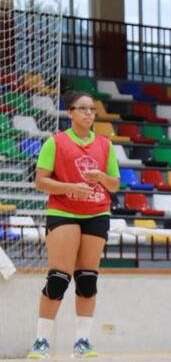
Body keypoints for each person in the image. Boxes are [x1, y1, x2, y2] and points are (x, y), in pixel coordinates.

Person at [26, 91, 121, 358]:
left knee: (88, 279)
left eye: (92, 109)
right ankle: (41, 341)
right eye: (83, 108)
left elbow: (114, 184)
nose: (89, 113)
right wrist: (70, 187)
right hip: (64, 211)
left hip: (97, 212)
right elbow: (41, 181)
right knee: (58, 278)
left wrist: (101, 176)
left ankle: (82, 341)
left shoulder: (105, 145)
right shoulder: (55, 143)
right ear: (70, 113)